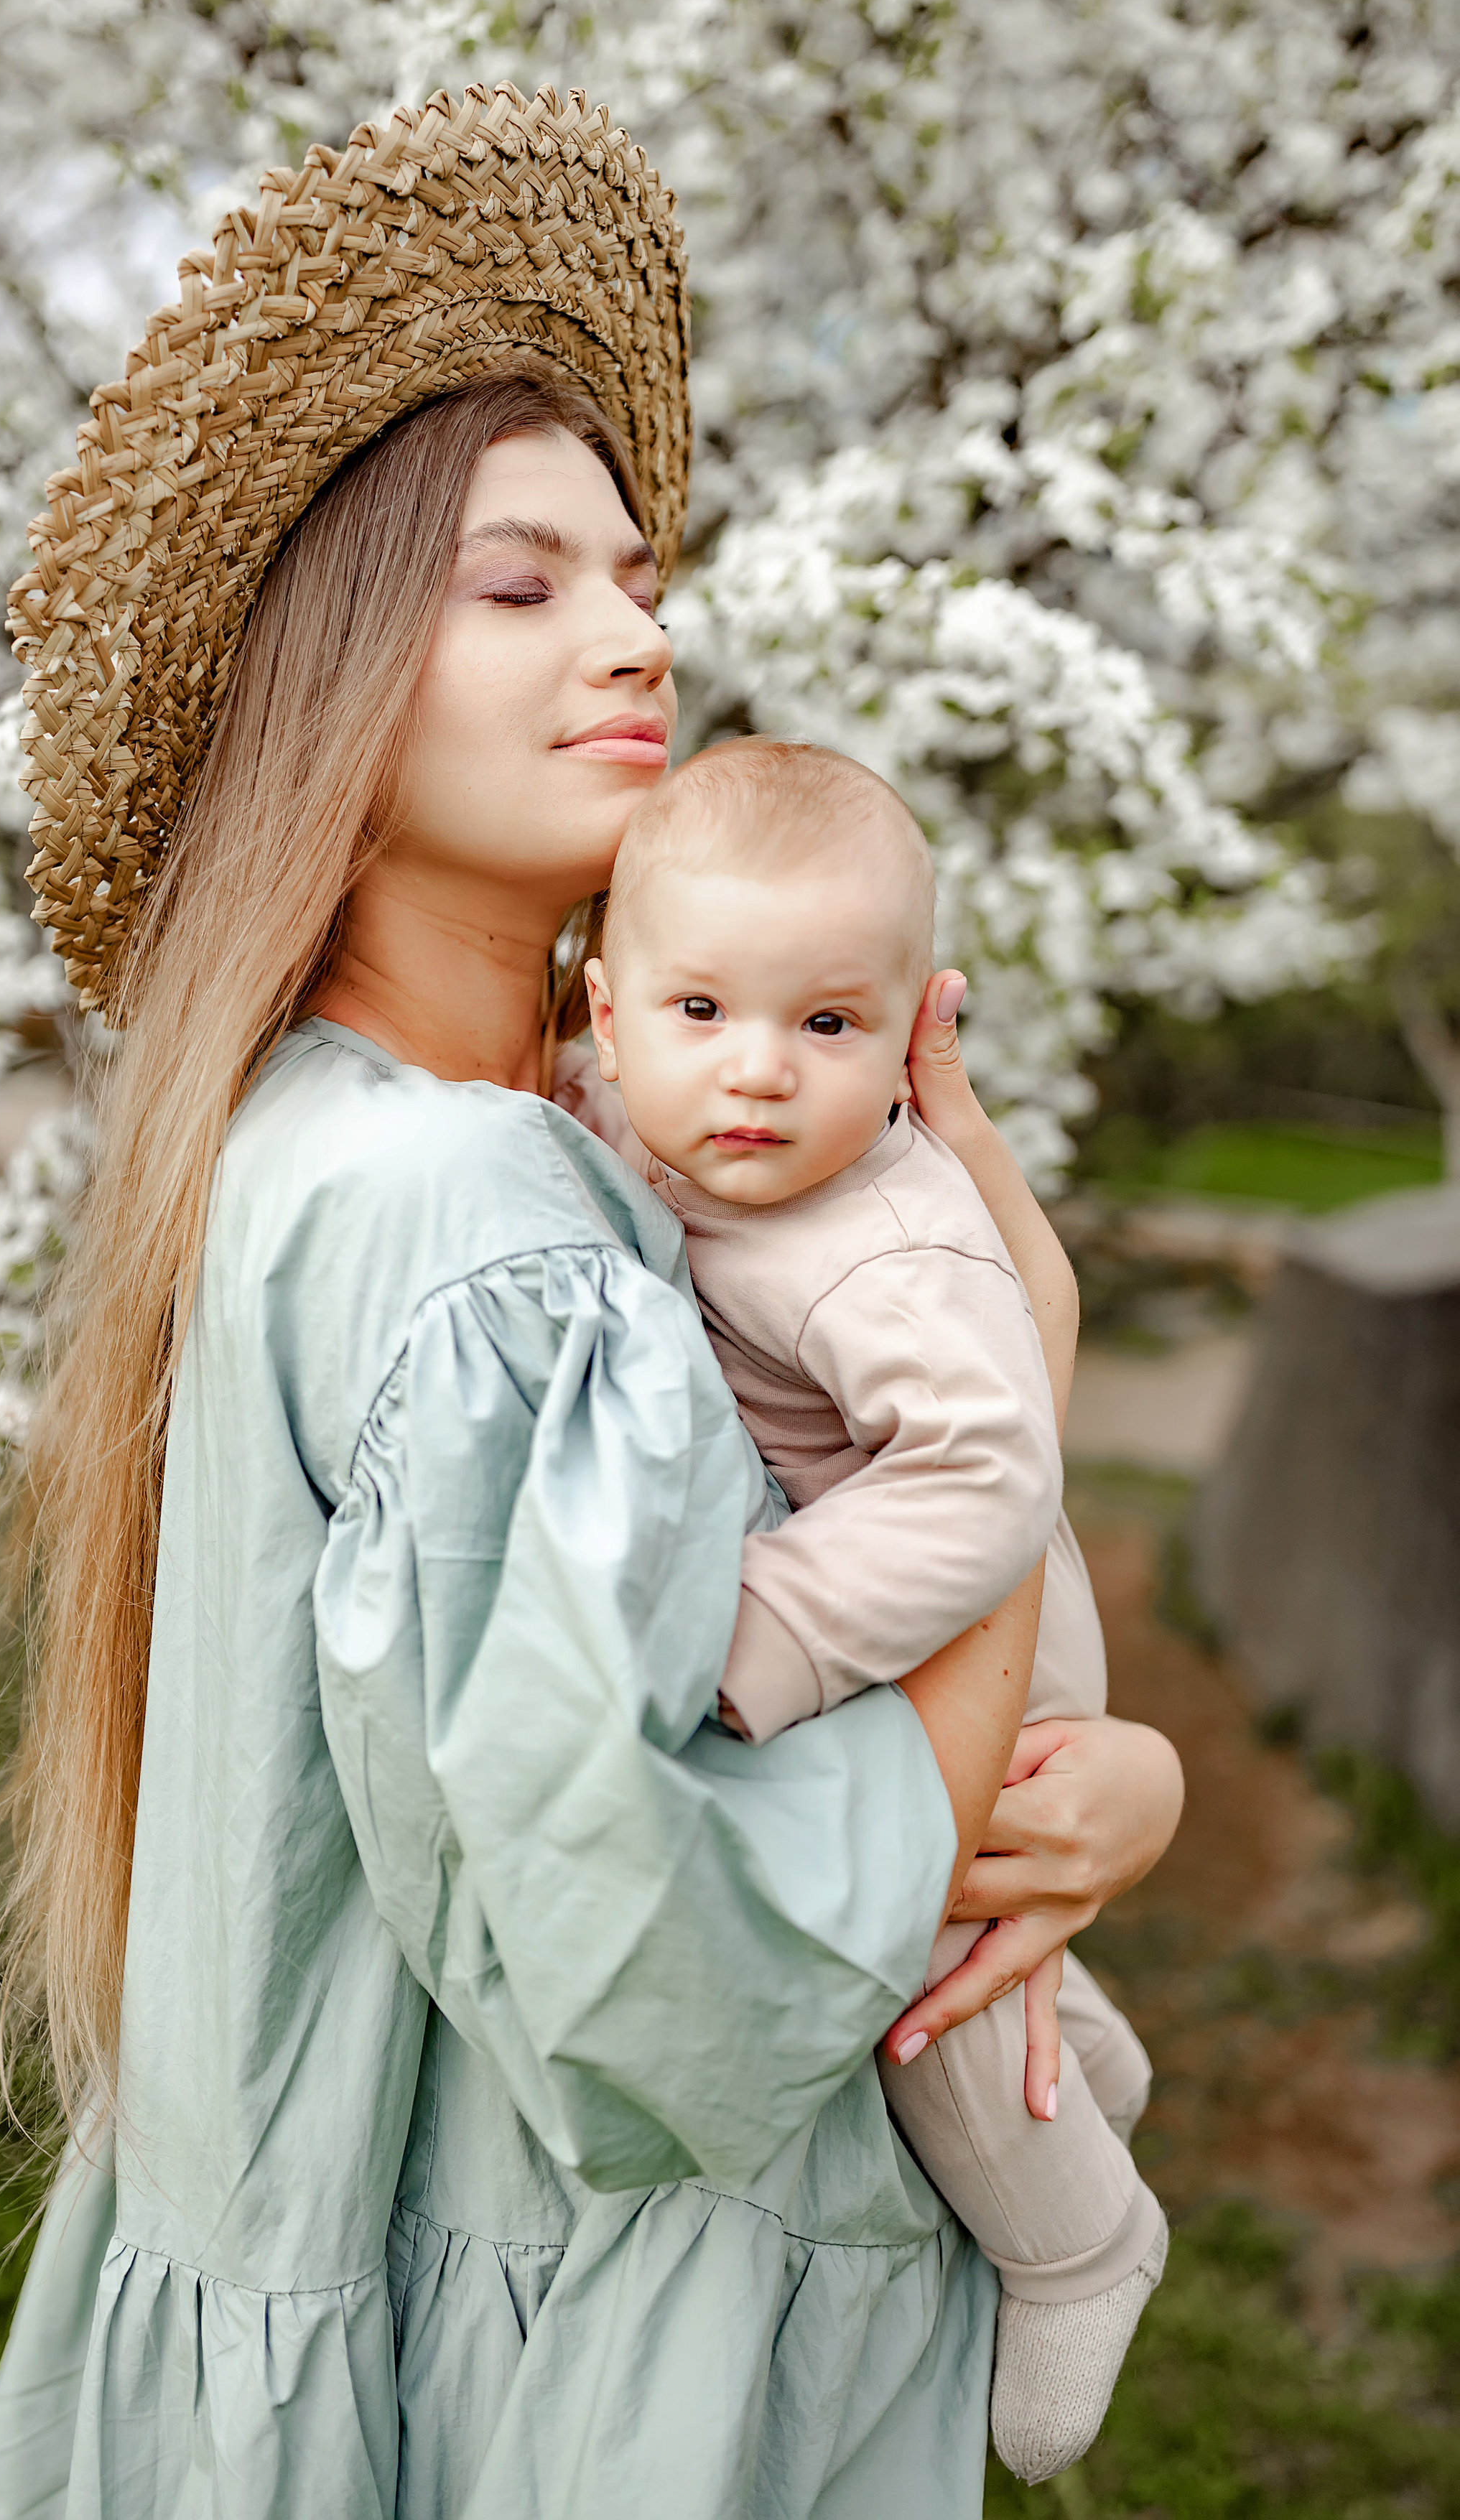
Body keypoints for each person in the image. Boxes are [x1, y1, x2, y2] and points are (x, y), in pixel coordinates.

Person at [0, 84, 1183, 2520]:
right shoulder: (482, 1231)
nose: (641, 627)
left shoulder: (384, 1135)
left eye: (634, 574)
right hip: (574, 2387)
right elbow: (669, 1985)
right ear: (325, 678)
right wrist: (1001, 1427)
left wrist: (1083, 1800)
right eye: (521, 586)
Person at [573, 738, 1166, 2486]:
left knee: (905, 1935)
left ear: (910, 1035)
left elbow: (982, 1478)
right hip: (904, 1605)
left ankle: (1075, 2242)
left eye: (826, 1027)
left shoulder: (871, 1242)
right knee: (956, 1926)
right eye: (701, 1011)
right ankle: (1088, 2056)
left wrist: (750, 1638)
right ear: (607, 1017)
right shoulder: (655, 1121)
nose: (755, 1075)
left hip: (953, 1617)